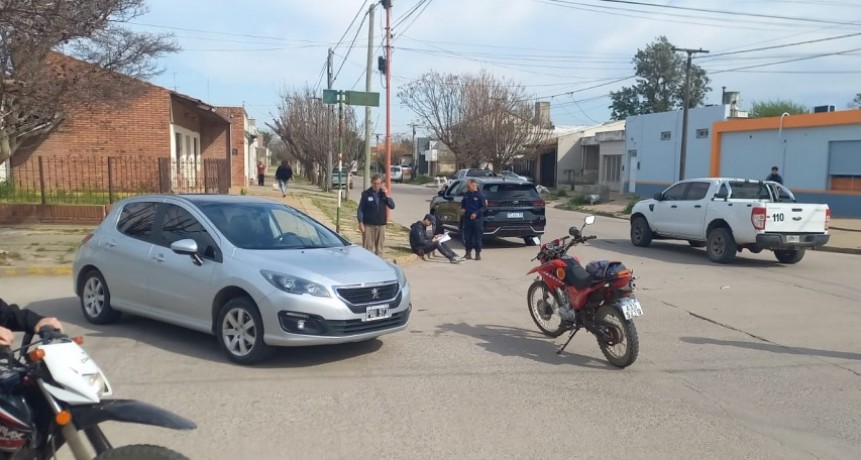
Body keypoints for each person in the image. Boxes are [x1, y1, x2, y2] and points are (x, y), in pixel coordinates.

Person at [357, 174, 395, 257]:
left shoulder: (383, 195)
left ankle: (379, 265)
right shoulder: (366, 194)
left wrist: (387, 195)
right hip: (368, 225)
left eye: (378, 183)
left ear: (381, 184)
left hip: (381, 224)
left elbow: (392, 206)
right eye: (375, 183)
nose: (376, 185)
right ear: (372, 183)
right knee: (367, 248)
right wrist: (360, 222)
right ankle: (368, 265)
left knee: (380, 248)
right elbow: (360, 209)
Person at [460, 178, 486, 261]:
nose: (468, 188)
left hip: (477, 220)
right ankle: (468, 253)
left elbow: (484, 207)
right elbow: (463, 203)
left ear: (474, 185)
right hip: (467, 219)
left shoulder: (480, 195)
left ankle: (477, 254)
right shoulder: (467, 194)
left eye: (469, 187)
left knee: (477, 237)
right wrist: (463, 209)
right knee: (468, 237)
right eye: (467, 187)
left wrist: (476, 213)